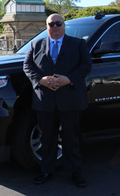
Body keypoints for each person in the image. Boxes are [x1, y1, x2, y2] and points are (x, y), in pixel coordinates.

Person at [23, 13, 92, 188]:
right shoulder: (35, 44)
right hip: (44, 100)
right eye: (51, 24)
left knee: (71, 139)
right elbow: (27, 66)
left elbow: (86, 66)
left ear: (64, 26)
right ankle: (47, 171)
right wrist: (40, 80)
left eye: (58, 23)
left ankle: (75, 172)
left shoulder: (78, 44)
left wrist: (68, 79)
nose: (55, 27)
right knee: (47, 139)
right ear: (46, 26)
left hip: (70, 99)